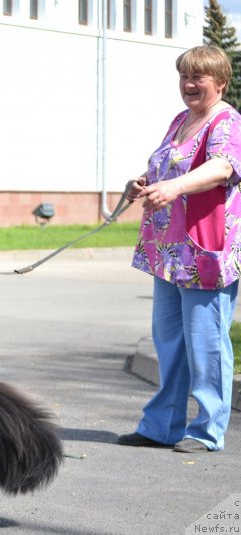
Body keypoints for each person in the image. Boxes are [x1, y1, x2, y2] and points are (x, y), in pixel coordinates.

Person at [118, 44, 241, 454]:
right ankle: (163, 425)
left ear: (220, 83)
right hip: (168, 252)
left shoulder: (227, 121)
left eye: (198, 77)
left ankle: (207, 430)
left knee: (207, 342)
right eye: (184, 76)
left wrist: (173, 187)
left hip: (205, 250)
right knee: (168, 339)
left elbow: (222, 167)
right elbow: (168, 165)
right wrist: (144, 182)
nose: (189, 84)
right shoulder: (180, 120)